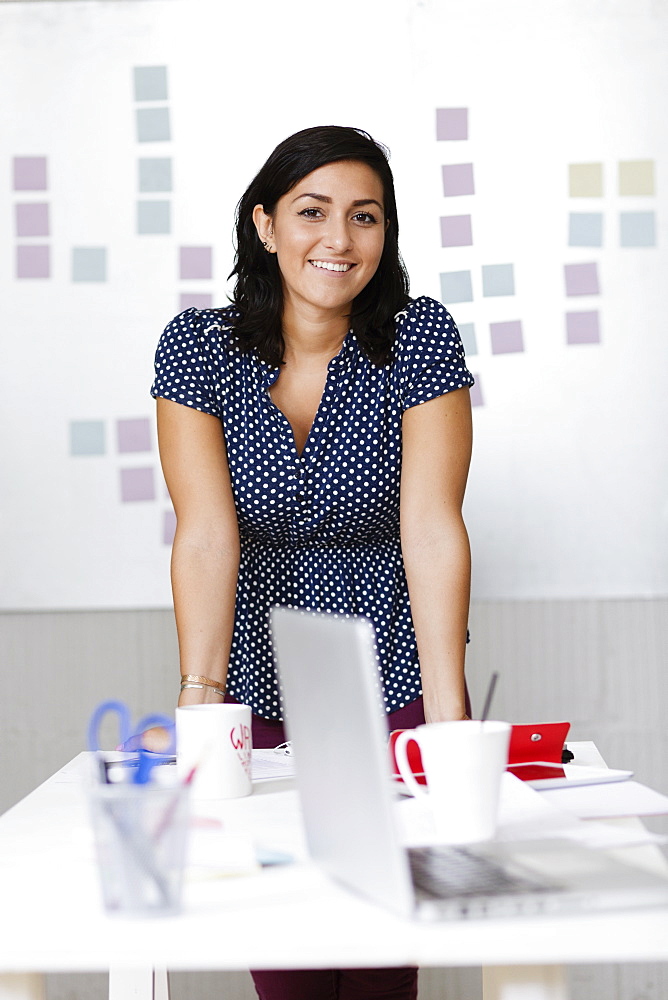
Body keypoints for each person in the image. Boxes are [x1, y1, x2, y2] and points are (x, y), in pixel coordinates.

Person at [151, 125, 474, 1000]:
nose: (339, 239)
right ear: (264, 224)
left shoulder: (421, 336)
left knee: (380, 948)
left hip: (395, 670)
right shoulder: (196, 348)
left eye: (364, 217)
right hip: (254, 673)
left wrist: (446, 721)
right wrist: (199, 708)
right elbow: (207, 533)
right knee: (285, 947)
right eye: (312, 212)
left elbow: (433, 526)